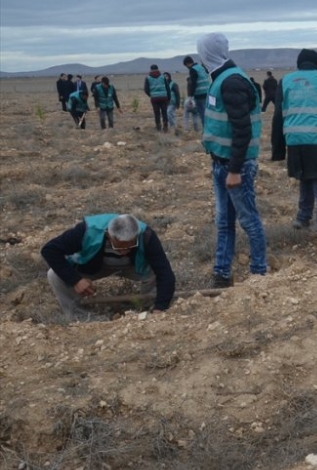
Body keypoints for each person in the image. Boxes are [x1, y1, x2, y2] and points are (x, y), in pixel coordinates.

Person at [197, 32, 267, 287]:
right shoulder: (220, 78)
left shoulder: (232, 81)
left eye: (201, 52)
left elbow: (243, 129)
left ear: (207, 53)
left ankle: (260, 275)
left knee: (248, 220)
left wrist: (235, 170)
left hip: (236, 167)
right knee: (224, 222)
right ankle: (222, 274)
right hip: (221, 163)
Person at [271, 48, 317, 255]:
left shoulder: (286, 80)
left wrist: (278, 150)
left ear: (299, 64)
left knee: (304, 177)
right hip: (316, 141)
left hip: (294, 141)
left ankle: (302, 218)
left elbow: (278, 116)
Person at [41, 213, 176, 320]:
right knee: (54, 274)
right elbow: (49, 250)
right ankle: (78, 318)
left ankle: (147, 307)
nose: (124, 252)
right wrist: (75, 280)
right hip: (92, 266)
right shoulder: (88, 231)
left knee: (156, 272)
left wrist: (160, 308)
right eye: (119, 246)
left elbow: (165, 272)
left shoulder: (146, 235)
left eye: (130, 246)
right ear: (108, 235)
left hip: (132, 267)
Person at [183, 55, 211, 124]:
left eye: (186, 65)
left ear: (187, 63)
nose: (187, 67)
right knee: (207, 112)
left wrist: (191, 97)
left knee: (202, 113)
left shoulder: (192, 69)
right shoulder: (201, 67)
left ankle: (205, 130)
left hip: (199, 94)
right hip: (207, 92)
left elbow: (193, 84)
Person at [144, 64, 169, 132]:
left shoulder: (148, 78)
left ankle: (158, 128)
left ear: (150, 70)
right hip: (163, 98)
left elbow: (146, 89)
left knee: (157, 113)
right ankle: (165, 127)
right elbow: (167, 88)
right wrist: (168, 97)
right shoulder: (163, 77)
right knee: (164, 113)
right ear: (158, 69)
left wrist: (152, 95)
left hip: (154, 99)